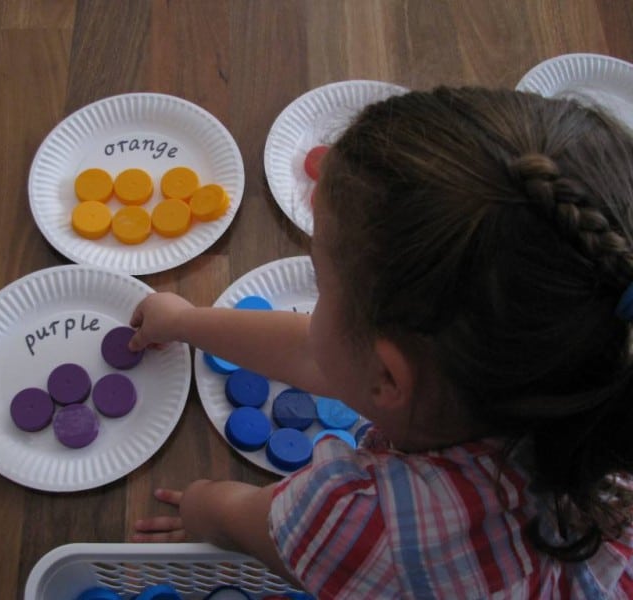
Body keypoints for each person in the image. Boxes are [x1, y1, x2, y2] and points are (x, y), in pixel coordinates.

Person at [128, 87, 633, 598]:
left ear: (389, 377)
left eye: (321, 286)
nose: (314, 304)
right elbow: (319, 354)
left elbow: (236, 519)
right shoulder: (592, 382)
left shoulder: (370, 527)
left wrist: (200, 504)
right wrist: (187, 322)